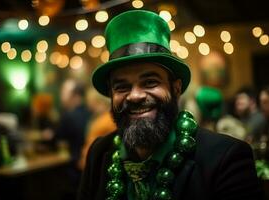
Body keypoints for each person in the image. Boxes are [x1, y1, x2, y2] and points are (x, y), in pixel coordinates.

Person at [77, 10, 263, 200]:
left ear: (176, 88)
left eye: (150, 82)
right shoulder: (99, 153)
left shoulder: (226, 157)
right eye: (122, 86)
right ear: (111, 94)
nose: (135, 96)